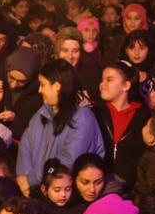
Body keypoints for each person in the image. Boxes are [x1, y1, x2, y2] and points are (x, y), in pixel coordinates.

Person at [15, 62, 104, 194]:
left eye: (43, 84)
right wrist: (24, 180)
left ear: (56, 86)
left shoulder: (82, 118)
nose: (39, 90)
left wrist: (32, 179)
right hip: (38, 191)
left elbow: (68, 161)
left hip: (66, 195)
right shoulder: (41, 115)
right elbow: (25, 147)